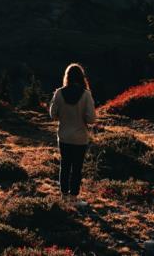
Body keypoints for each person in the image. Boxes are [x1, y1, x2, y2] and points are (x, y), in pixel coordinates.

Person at [49, 63, 95, 204]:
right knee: (77, 168)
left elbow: (52, 114)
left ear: (67, 77)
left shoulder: (59, 93)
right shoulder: (86, 94)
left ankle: (63, 196)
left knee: (65, 166)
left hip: (63, 136)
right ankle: (74, 198)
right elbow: (91, 119)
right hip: (80, 138)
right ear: (81, 77)